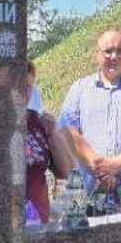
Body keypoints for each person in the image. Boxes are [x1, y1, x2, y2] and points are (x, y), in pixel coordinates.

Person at [59, 30, 121, 213]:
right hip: (88, 192)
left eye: (120, 51)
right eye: (108, 51)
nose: (114, 57)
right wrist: (100, 168)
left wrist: (117, 164)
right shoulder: (79, 89)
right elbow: (68, 131)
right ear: (97, 54)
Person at [24, 60, 72, 225]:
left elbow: (64, 171)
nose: (23, 92)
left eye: (28, 86)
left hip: (38, 221)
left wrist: (53, 134)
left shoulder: (36, 120)